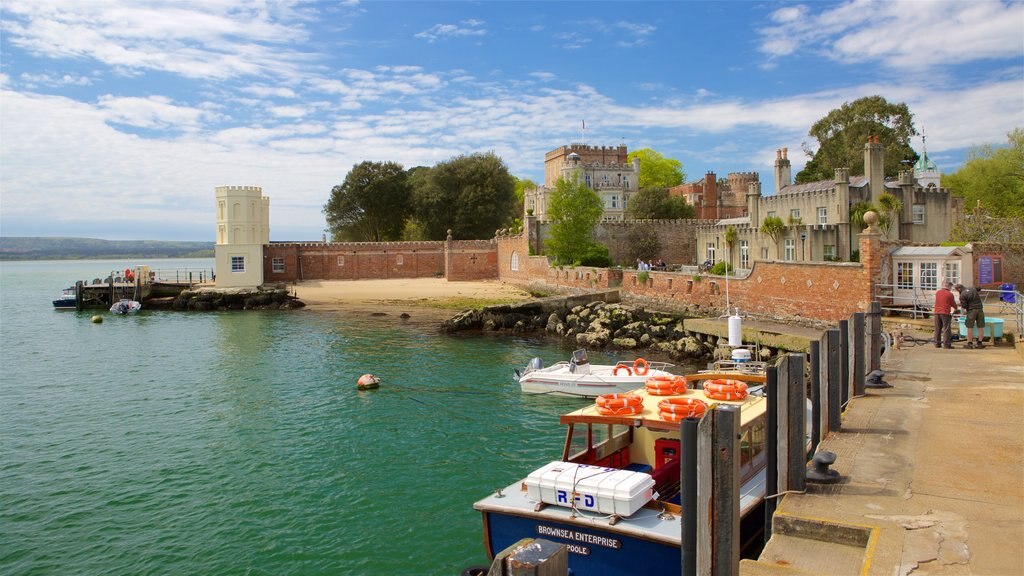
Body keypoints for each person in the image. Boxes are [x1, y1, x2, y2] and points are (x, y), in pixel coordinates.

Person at [956, 284, 986, 349]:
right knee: (980, 326)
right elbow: (979, 288)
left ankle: (970, 343)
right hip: (980, 309)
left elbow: (964, 306)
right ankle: (980, 343)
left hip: (971, 310)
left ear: (959, 289)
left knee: (970, 327)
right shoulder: (972, 288)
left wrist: (960, 304)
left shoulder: (962, 295)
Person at [933, 281, 956, 349]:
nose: (951, 288)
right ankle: (946, 344)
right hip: (945, 312)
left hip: (937, 312)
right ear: (948, 286)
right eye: (951, 287)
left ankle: (937, 343)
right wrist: (956, 308)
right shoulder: (950, 294)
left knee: (937, 328)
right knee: (946, 328)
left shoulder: (938, 292)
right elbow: (953, 303)